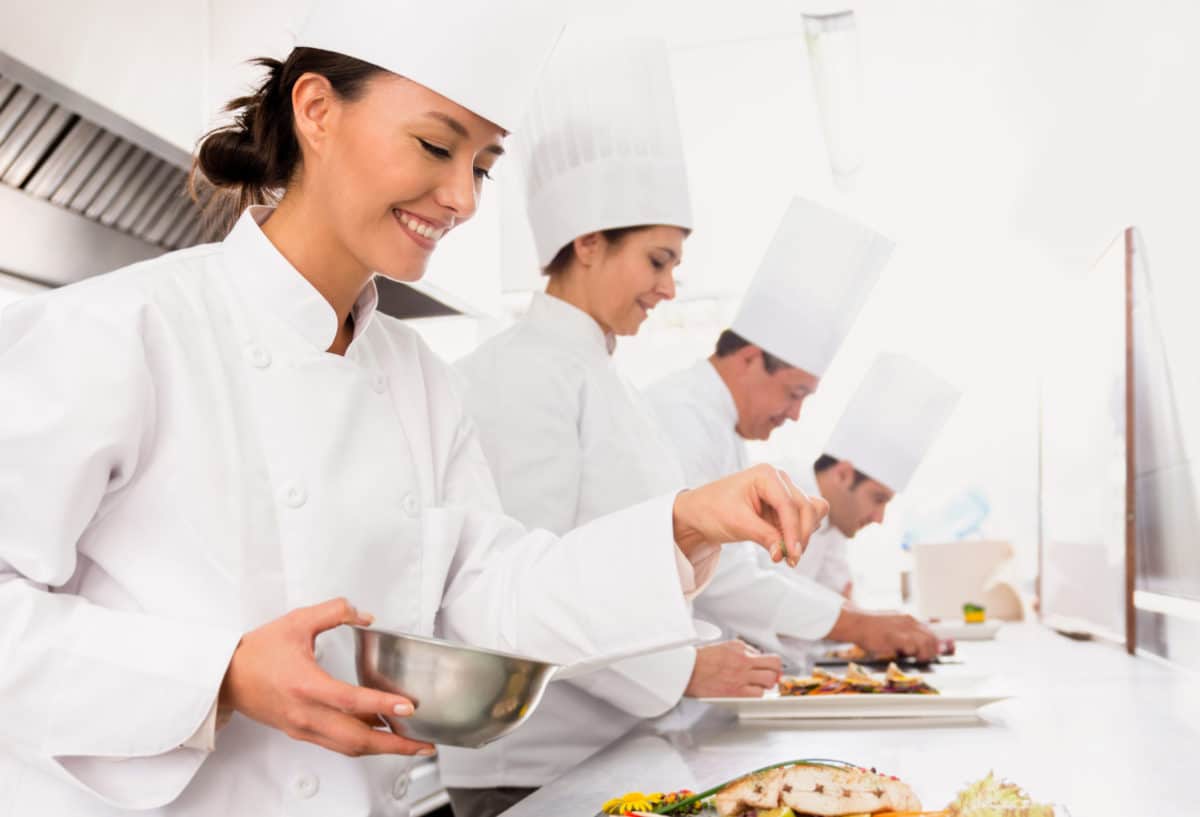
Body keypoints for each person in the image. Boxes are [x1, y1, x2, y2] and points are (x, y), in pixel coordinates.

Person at [0, 4, 827, 815]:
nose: (462, 199)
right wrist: (221, 674)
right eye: (435, 146)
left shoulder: (416, 374)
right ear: (316, 110)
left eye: (482, 164)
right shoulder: (119, 331)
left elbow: (491, 599)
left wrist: (685, 524)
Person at [441, 33, 787, 817]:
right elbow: (521, 588)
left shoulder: (602, 378)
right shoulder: (519, 374)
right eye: (658, 261)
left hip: (602, 751)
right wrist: (684, 670)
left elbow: (625, 563)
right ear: (589, 242)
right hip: (527, 764)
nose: (669, 288)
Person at [647, 197, 940, 662]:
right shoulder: (684, 417)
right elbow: (726, 581)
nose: (796, 415)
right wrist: (857, 623)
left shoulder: (722, 428)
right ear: (749, 360)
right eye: (794, 393)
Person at [775, 354, 962, 616]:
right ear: (843, 474)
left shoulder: (836, 522)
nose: (879, 518)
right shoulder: (781, 495)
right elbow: (765, 603)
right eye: (878, 499)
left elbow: (841, 603)